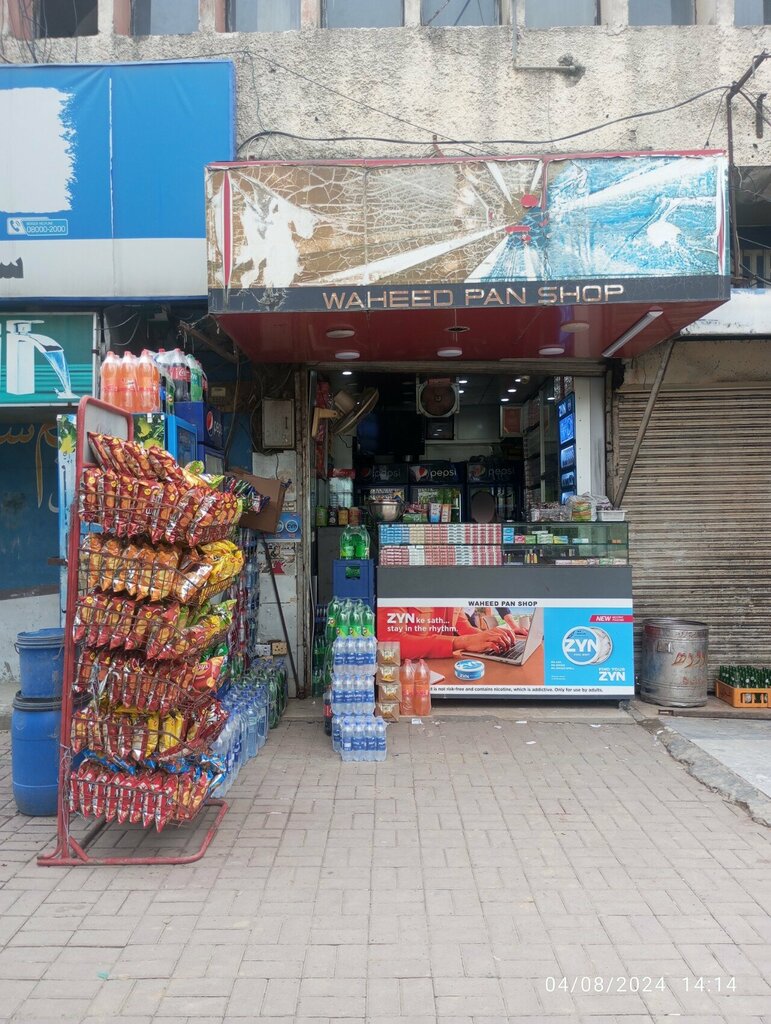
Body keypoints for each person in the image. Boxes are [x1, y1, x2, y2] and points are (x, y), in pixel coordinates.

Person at [394, 608, 529, 661]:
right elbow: (391, 643)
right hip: (410, 672)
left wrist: (490, 636)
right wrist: (462, 642)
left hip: (440, 667)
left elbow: (465, 628)